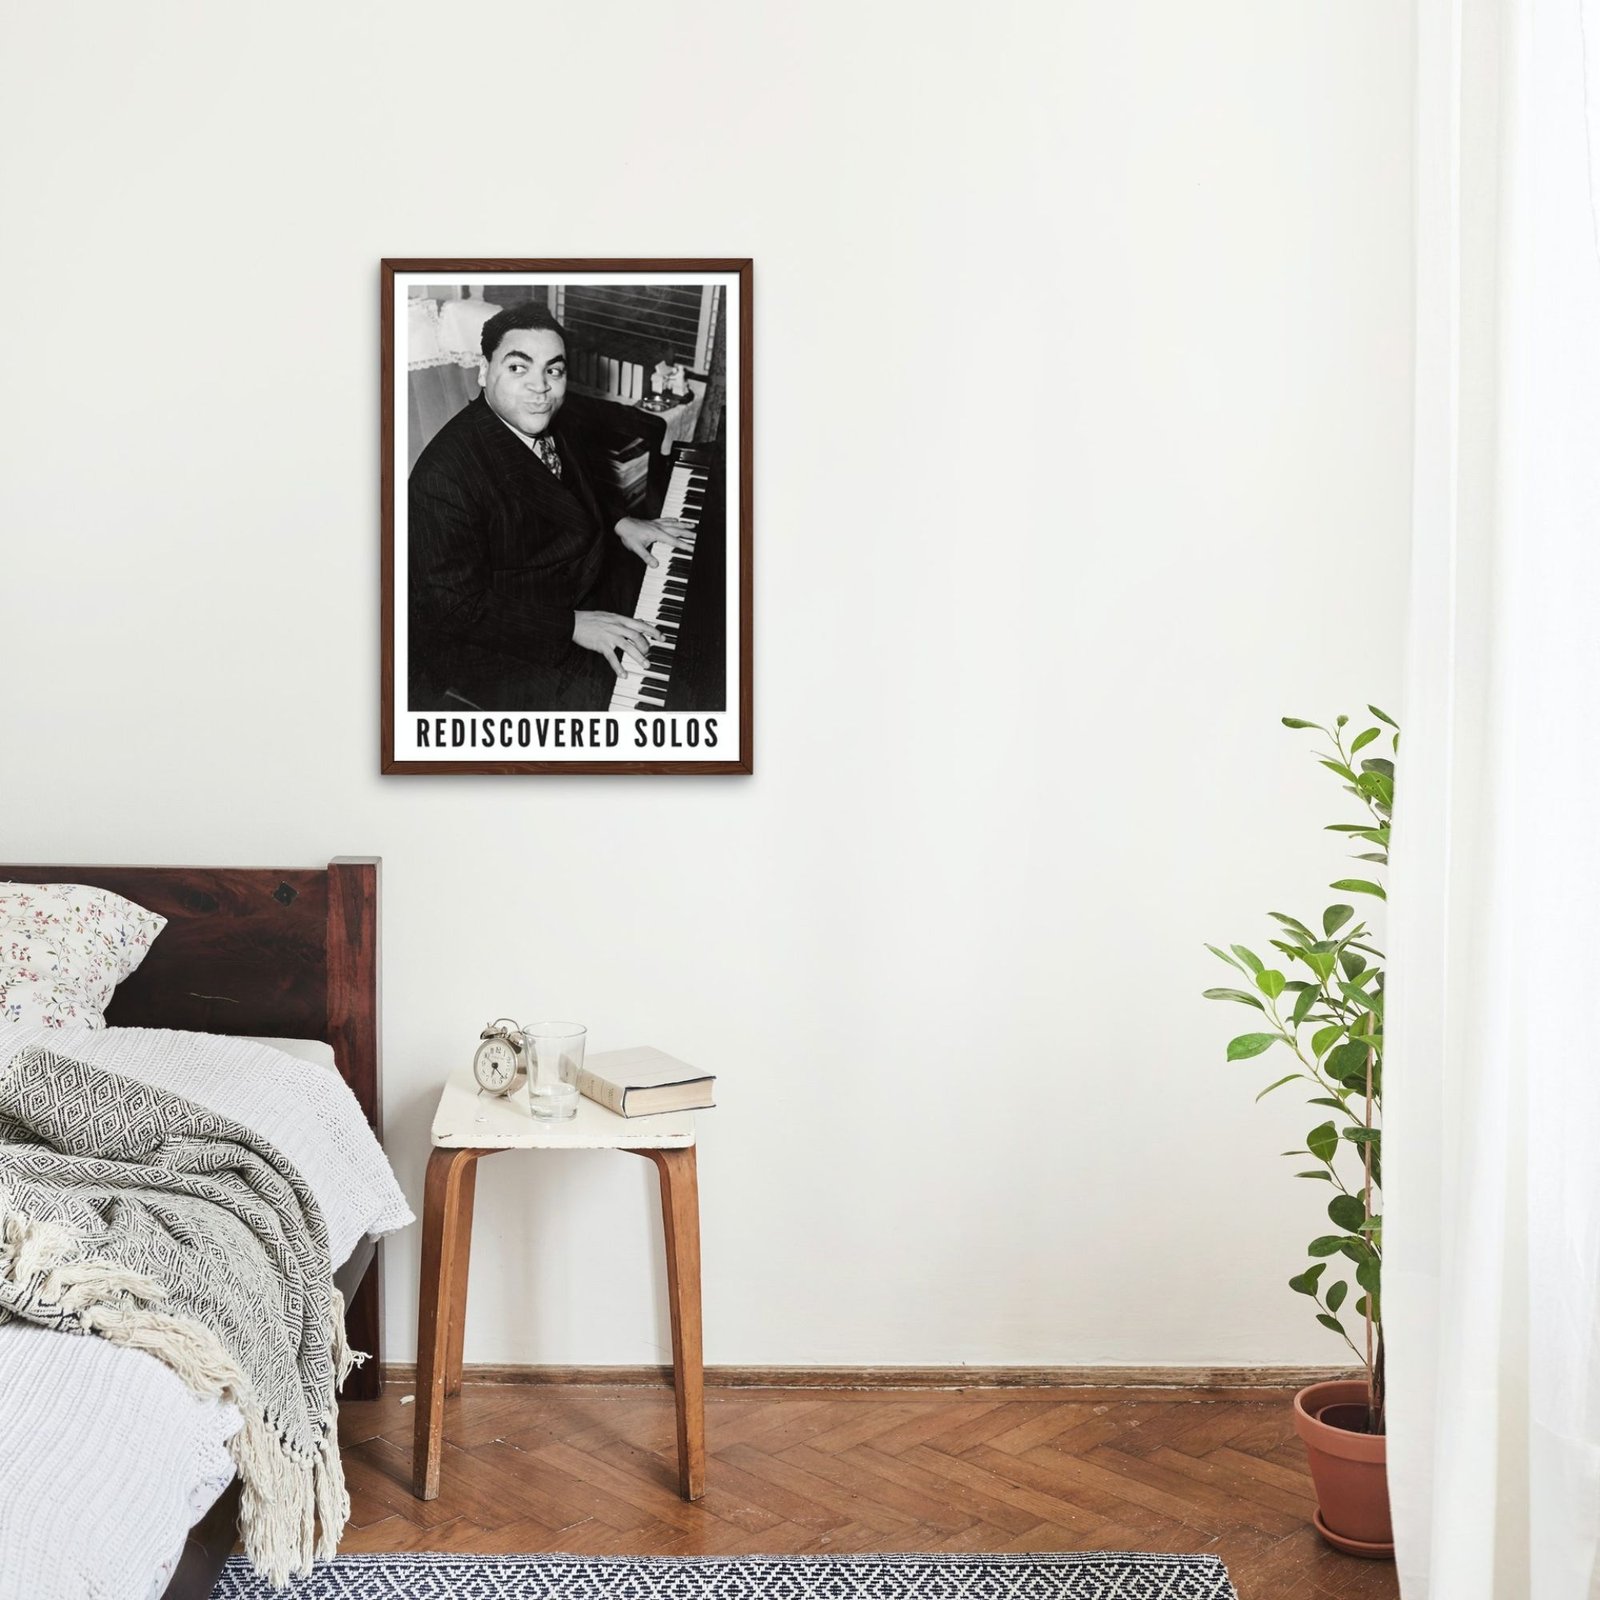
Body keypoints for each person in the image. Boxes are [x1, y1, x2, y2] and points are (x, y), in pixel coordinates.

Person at [407, 301, 693, 711]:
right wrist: (571, 625)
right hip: (510, 642)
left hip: (581, 584)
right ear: (485, 371)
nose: (540, 387)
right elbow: (454, 608)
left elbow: (578, 485)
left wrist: (619, 521)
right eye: (518, 368)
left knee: (686, 614)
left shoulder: (549, 415)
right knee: (648, 706)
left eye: (553, 370)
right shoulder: (442, 478)